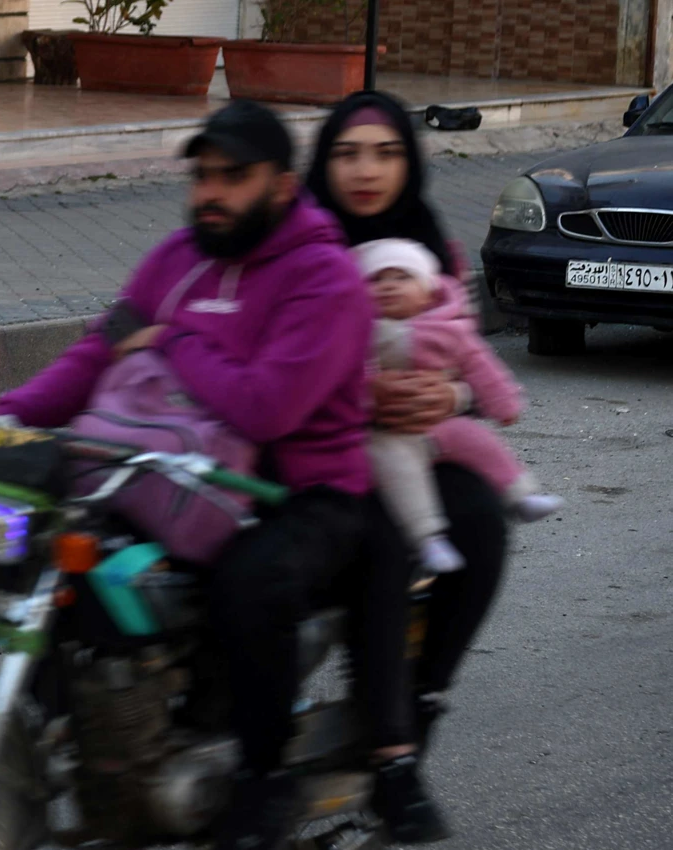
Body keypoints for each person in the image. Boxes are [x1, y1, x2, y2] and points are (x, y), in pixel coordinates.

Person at [0, 100, 418, 850]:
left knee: (249, 585)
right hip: (173, 479)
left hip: (301, 492)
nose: (212, 192)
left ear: (282, 184)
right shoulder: (175, 258)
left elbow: (267, 408)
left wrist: (177, 342)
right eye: (203, 175)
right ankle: (97, 743)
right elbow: (101, 350)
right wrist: (10, 415)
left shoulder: (324, 278)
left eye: (235, 176)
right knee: (56, 556)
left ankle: (261, 780)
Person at [308, 90, 519, 845]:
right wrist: (367, 395)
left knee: (483, 526)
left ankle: (421, 702)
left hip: (418, 439)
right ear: (323, 161)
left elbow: (467, 355)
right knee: (385, 546)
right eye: (348, 152)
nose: (367, 171)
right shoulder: (303, 241)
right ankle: (390, 756)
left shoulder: (433, 245)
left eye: (386, 153)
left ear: (410, 162)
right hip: (326, 447)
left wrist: (449, 392)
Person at [357, 237, 561, 573]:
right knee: (399, 473)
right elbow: (347, 373)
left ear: (427, 289)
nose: (388, 287)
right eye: (376, 280)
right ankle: (428, 539)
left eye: (401, 278)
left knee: (480, 441)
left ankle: (521, 494)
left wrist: (503, 403)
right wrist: (369, 394)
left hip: (442, 422)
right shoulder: (360, 333)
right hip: (386, 431)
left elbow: (480, 364)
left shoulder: (447, 328)